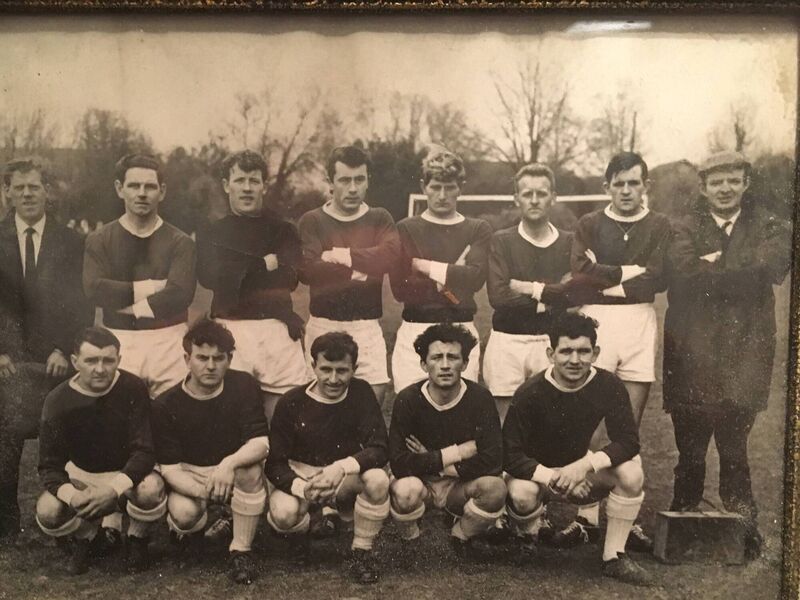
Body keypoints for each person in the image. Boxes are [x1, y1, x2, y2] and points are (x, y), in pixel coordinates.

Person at [663, 150, 791, 559]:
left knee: (735, 449)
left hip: (744, 354)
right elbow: (681, 274)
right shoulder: (682, 225)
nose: (724, 188)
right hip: (691, 353)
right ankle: (684, 528)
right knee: (692, 451)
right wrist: (738, 271)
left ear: (745, 184)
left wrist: (712, 269)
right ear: (703, 187)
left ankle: (745, 530)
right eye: (716, 182)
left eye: (733, 180)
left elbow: (769, 270)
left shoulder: (769, 224)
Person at [565, 151, 670, 546]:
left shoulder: (659, 225)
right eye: (619, 183)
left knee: (628, 426)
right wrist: (630, 272)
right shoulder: (590, 223)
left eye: (634, 183)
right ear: (606, 186)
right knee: (590, 422)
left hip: (641, 320)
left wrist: (605, 275)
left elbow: (658, 279)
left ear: (645, 186)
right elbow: (580, 273)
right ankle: (585, 517)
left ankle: (625, 517)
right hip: (598, 319)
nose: (627, 190)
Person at [503, 312, 651, 586]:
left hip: (581, 472)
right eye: (566, 351)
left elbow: (629, 441)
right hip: (539, 477)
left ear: (595, 353)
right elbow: (510, 454)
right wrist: (555, 477)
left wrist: (583, 466)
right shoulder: (530, 392)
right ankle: (527, 538)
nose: (575, 360)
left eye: (583, 351)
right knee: (521, 493)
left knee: (632, 473)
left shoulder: (608, 384)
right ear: (551, 353)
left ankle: (613, 557)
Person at [0, 157, 91, 538]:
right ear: (7, 192)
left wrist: (62, 348)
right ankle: (6, 523)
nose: (26, 194)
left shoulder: (73, 241)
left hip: (57, 360)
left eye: (33, 187)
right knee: (6, 442)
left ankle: (71, 519)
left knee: (67, 439)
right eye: (18, 187)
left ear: (47, 191)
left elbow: (82, 303)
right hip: (8, 361)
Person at [35, 327, 166, 574]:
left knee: (151, 489)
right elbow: (49, 466)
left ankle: (136, 539)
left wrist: (114, 488)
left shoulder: (132, 386)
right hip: (83, 473)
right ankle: (89, 537)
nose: (100, 368)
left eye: (108, 360)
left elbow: (144, 451)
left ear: (119, 359)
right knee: (48, 510)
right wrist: (73, 496)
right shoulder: (57, 400)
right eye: (91, 360)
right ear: (75, 362)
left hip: (125, 471)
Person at [151, 318, 269, 585]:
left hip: (231, 470)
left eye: (219, 358)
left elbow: (260, 442)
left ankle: (241, 549)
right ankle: (192, 528)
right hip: (190, 473)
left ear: (230, 359)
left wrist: (228, 464)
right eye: (202, 358)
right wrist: (206, 492)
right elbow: (169, 468)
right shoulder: (165, 404)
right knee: (184, 515)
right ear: (186, 359)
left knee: (250, 471)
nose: (211, 366)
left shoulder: (244, 385)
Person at [266, 332, 390, 584]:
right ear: (313, 366)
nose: (333, 379)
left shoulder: (362, 393)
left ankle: (361, 551)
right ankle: (299, 538)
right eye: (325, 369)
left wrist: (340, 467)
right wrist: (303, 487)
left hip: (343, 476)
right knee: (284, 514)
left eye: (342, 370)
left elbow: (379, 447)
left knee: (377, 479)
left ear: (354, 368)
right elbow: (274, 463)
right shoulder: (292, 401)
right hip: (302, 476)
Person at [197, 150, 309, 422]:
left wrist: (236, 269)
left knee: (283, 420)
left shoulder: (283, 230)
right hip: (230, 330)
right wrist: (262, 264)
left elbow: (288, 278)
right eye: (239, 180)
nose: (247, 188)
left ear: (264, 185)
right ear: (227, 185)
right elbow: (210, 277)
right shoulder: (212, 232)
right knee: (231, 421)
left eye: (254, 180)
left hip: (277, 330)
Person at [389, 324, 506, 560]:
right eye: (436, 357)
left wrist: (430, 458)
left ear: (464, 364)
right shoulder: (408, 399)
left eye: (452, 357)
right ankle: (411, 540)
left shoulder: (480, 398)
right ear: (424, 364)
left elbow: (494, 460)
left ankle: (460, 536)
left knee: (495, 488)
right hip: (421, 483)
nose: (444, 365)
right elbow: (400, 464)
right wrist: (456, 452)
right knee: (404, 489)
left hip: (458, 485)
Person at [83, 154, 196, 399]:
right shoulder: (99, 239)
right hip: (120, 339)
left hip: (170, 340)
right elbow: (94, 289)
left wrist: (125, 305)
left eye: (150, 186)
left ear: (162, 191)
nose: (142, 193)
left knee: (170, 420)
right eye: (134, 185)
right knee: (120, 423)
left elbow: (180, 294)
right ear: (119, 189)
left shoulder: (181, 242)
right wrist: (149, 288)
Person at [297, 146, 399, 407]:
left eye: (359, 180)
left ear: (368, 181)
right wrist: (365, 266)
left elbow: (390, 256)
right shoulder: (312, 220)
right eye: (344, 180)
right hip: (323, 324)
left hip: (366, 326)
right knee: (319, 406)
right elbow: (308, 269)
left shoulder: (379, 217)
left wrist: (337, 256)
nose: (353, 188)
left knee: (372, 405)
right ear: (330, 183)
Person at [390, 146, 492, 393]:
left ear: (461, 187)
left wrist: (426, 267)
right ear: (424, 187)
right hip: (416, 327)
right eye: (436, 187)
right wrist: (451, 276)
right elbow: (401, 289)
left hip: (461, 328)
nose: (442, 195)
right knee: (412, 408)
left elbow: (475, 279)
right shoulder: (406, 228)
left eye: (450, 187)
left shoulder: (477, 228)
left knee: (459, 413)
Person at [483, 163, 576, 423]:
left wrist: (528, 289)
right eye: (527, 194)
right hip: (506, 341)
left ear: (553, 197)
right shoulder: (501, 240)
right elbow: (498, 297)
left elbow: (575, 292)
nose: (534, 200)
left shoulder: (569, 241)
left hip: (550, 341)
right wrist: (551, 297)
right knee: (504, 423)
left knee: (551, 424)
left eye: (542, 193)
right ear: (516, 199)